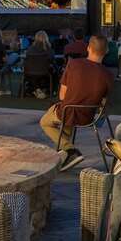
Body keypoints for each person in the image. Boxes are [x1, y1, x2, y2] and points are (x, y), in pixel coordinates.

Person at [39, 35, 114, 171]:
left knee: (45, 121)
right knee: (68, 120)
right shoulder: (108, 75)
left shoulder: (74, 64)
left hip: (67, 112)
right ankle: (67, 156)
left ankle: (70, 150)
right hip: (88, 117)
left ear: (88, 48)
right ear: (106, 51)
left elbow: (62, 95)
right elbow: (105, 103)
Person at [26, 30, 54, 99]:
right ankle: (47, 90)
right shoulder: (48, 49)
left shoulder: (30, 49)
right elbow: (51, 59)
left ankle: (37, 89)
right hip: (44, 72)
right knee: (54, 72)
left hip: (30, 73)